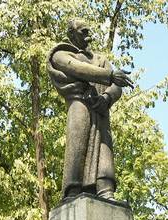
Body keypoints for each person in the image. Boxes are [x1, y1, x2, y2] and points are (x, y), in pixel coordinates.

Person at [47, 20, 133, 200]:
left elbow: (117, 87)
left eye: (89, 31)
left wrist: (107, 98)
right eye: (83, 31)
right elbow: (77, 68)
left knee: (104, 147)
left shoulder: (101, 60)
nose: (89, 35)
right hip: (79, 105)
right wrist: (109, 76)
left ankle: (105, 189)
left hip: (101, 108)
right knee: (77, 144)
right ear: (71, 34)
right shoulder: (61, 54)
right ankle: (73, 190)